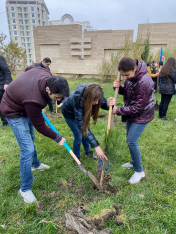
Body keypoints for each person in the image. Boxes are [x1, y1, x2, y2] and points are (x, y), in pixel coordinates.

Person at [0, 66, 70, 203]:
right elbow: (40, 126)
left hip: (24, 103)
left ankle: (35, 164)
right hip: (13, 110)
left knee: (30, 139)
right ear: (48, 89)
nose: (57, 100)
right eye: (56, 98)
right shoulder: (34, 100)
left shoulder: (46, 73)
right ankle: (24, 189)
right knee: (27, 149)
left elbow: (29, 68)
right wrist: (57, 138)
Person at [112, 57, 154, 185]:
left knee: (131, 140)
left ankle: (139, 171)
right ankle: (133, 161)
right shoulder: (132, 77)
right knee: (129, 139)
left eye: (126, 75)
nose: (124, 78)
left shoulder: (144, 82)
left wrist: (118, 110)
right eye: (122, 75)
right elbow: (130, 92)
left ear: (135, 69)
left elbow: (137, 107)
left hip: (142, 115)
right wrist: (118, 88)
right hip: (132, 113)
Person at [61, 83, 115, 164]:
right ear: (89, 98)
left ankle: (87, 151)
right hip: (69, 114)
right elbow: (82, 125)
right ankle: (77, 157)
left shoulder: (95, 91)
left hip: (80, 114)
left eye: (98, 100)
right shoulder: (79, 100)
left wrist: (109, 104)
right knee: (79, 135)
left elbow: (102, 104)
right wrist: (96, 147)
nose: (97, 103)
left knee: (85, 132)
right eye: (95, 101)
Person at [0, 55, 13, 127]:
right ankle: (5, 122)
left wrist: (7, 83)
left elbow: (7, 71)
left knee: (5, 104)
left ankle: (10, 120)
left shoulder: (0, 58)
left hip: (2, 85)